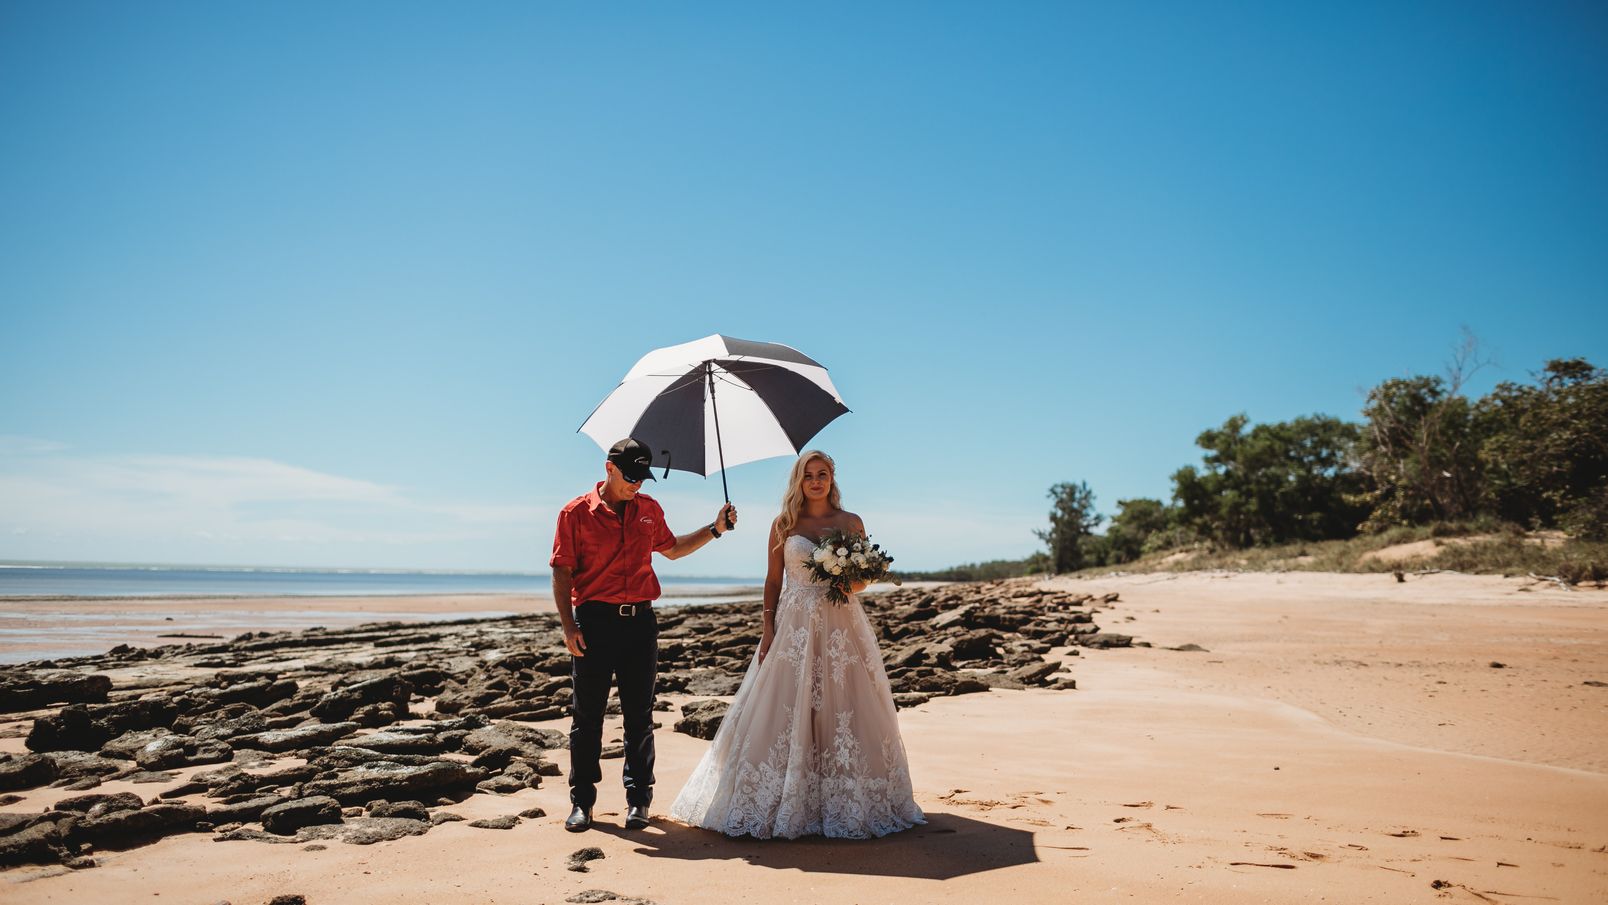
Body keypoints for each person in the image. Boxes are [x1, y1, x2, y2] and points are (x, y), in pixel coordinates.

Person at [669, 450, 924, 838]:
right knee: (787, 706)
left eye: (823, 474)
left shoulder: (851, 522)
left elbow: (863, 581)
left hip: (841, 626)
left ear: (833, 478)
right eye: (809, 475)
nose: (816, 481)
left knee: (844, 705)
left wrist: (848, 580)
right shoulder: (784, 524)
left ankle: (844, 799)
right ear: (799, 481)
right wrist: (768, 628)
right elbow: (773, 582)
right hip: (793, 625)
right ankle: (783, 798)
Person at [551, 437, 737, 832]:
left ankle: (639, 801)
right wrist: (568, 625)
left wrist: (715, 529)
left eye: (643, 477)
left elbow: (672, 549)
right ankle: (581, 802)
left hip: (640, 624)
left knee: (640, 716)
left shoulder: (649, 510)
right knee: (588, 718)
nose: (637, 484)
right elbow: (562, 571)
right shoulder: (574, 514)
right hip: (593, 624)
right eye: (631, 476)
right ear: (609, 468)